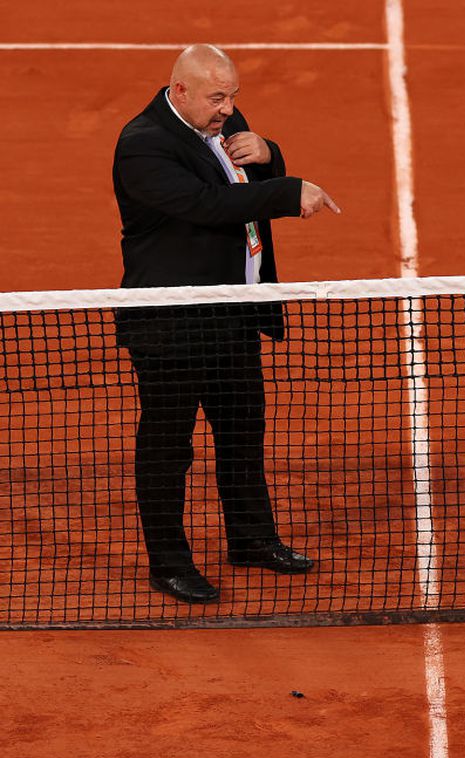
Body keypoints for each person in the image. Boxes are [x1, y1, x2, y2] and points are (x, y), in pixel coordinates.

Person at [112, 44, 341, 604]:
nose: (229, 109)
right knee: (169, 446)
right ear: (180, 91)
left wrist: (268, 155)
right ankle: (169, 563)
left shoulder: (222, 120)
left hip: (232, 314)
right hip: (170, 327)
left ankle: (251, 539)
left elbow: (243, 181)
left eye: (234, 95)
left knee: (241, 434)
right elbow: (208, 204)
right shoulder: (142, 147)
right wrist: (289, 190)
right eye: (217, 98)